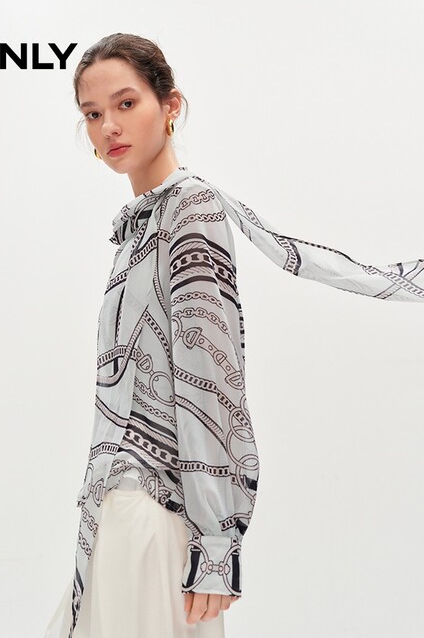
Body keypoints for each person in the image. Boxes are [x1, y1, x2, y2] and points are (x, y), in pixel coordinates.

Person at [43, 33, 424, 638]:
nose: (108, 126)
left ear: (170, 105)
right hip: (120, 513)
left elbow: (210, 381)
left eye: (126, 103)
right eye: (92, 114)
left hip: (154, 519)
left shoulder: (190, 213)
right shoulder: (143, 225)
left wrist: (217, 545)